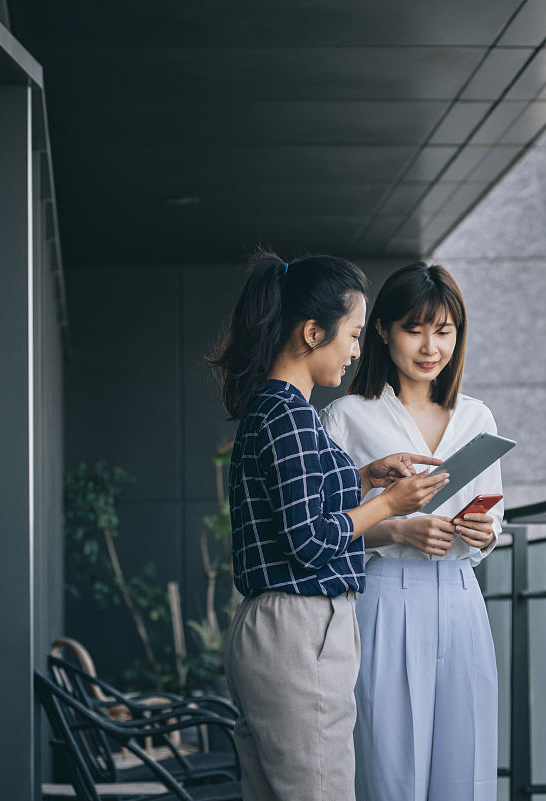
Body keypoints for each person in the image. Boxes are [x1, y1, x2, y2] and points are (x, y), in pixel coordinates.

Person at [209, 250, 449, 801]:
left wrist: (363, 478)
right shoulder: (291, 416)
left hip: (274, 630)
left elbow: (294, 505)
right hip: (298, 632)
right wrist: (391, 504)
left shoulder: (274, 410)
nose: (358, 352)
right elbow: (310, 540)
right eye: (355, 335)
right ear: (314, 332)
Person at [320, 261, 502, 801]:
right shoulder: (347, 417)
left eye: (444, 332)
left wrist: (482, 531)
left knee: (465, 766)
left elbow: (496, 525)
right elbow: (329, 531)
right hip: (385, 601)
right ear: (382, 330)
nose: (430, 347)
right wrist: (399, 530)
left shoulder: (478, 419)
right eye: (415, 329)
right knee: (389, 769)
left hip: (463, 601)